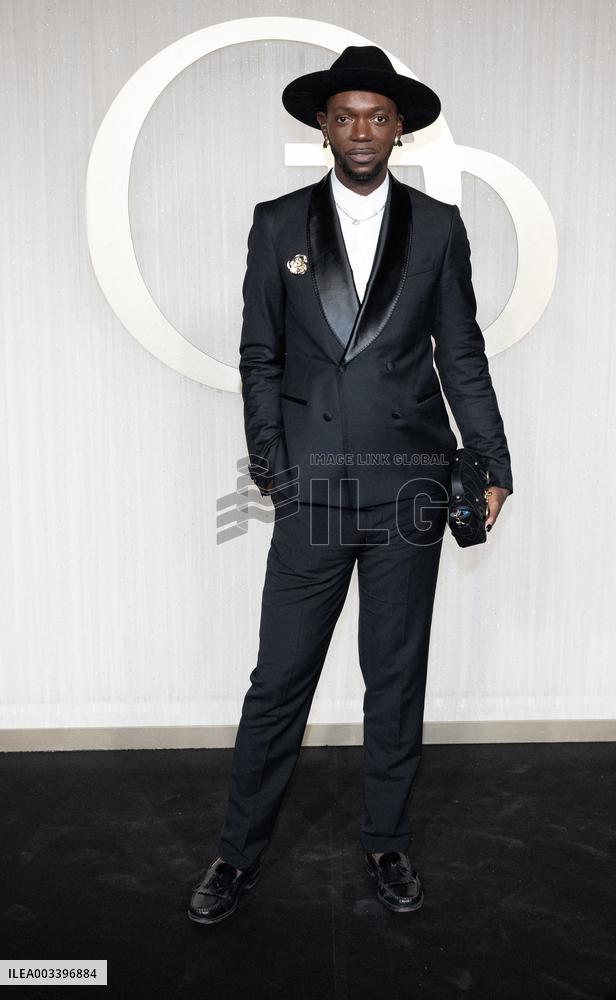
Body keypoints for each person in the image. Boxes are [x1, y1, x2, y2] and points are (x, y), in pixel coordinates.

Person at [189, 45, 513, 924]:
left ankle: (388, 842)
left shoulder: (440, 225)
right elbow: (261, 354)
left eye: (378, 115)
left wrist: (490, 461)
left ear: (398, 128)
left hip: (410, 484)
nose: (361, 129)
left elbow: (463, 353)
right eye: (345, 115)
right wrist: (273, 465)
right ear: (321, 127)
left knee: (394, 677)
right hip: (315, 492)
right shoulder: (276, 222)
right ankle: (237, 852)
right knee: (280, 680)